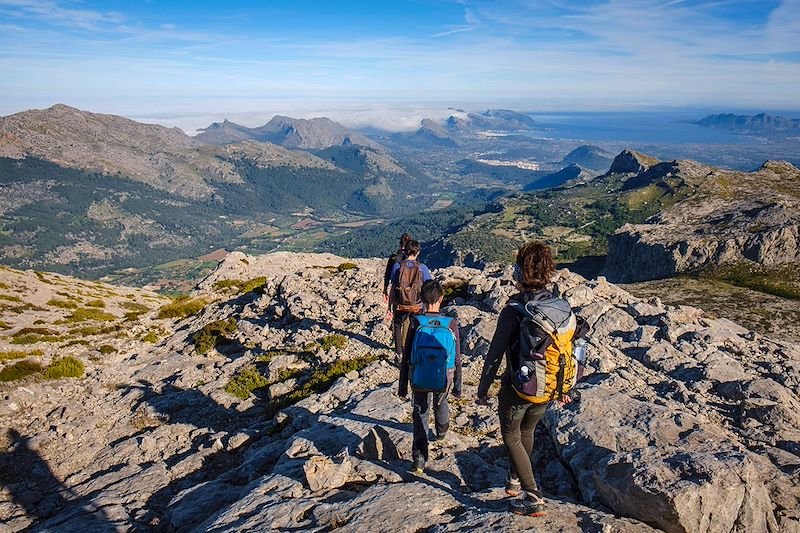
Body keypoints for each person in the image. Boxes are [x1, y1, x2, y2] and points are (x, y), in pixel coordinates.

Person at [477, 240, 588, 518]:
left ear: (519, 272)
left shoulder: (514, 311)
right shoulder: (561, 308)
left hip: (519, 388)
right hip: (550, 388)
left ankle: (532, 494)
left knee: (511, 434)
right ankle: (514, 480)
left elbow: (494, 354)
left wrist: (483, 388)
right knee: (527, 432)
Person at [398, 279, 462, 473]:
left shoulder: (417, 322)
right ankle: (441, 431)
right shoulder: (450, 323)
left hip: (419, 375)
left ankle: (419, 457)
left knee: (420, 411)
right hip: (444, 376)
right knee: (441, 401)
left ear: (421, 299)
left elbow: (407, 355)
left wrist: (402, 387)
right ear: (441, 299)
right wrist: (458, 386)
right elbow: (457, 358)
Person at [387, 240, 432, 362]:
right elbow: (428, 286)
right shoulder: (422, 268)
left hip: (400, 304)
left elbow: (393, 285)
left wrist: (389, 306)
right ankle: (412, 352)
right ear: (417, 252)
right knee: (415, 326)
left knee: (397, 326)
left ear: (405, 251)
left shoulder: (397, 266)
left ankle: (399, 353)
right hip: (416, 305)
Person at [383, 233, 412, 303]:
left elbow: (387, 274)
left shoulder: (394, 256)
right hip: (412, 293)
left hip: (397, 292)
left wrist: (385, 290)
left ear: (400, 244)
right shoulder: (412, 256)